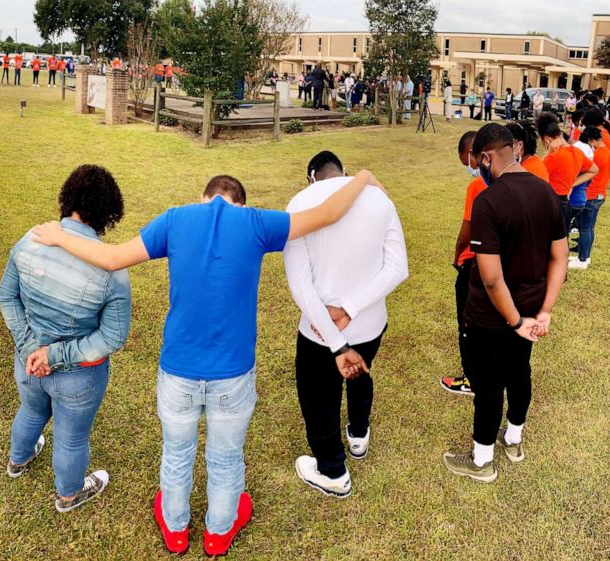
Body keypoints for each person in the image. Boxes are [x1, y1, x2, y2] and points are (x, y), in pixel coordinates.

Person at [29, 170, 384, 556]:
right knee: (226, 456)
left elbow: (112, 258)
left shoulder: (176, 218)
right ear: (241, 203)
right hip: (233, 374)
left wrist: (59, 236)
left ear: (203, 197)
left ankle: (176, 530)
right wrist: (362, 176)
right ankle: (218, 533)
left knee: (176, 452)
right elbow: (329, 212)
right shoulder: (257, 223)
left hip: (177, 371)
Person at [0, 164, 131, 512]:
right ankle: (69, 495)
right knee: (71, 438)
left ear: (67, 197)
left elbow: (6, 297)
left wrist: (31, 349)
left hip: (26, 362)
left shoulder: (30, 239)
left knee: (30, 410)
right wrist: (54, 356)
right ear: (109, 212)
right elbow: (114, 336)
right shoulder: (111, 268)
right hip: (80, 373)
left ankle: (18, 460)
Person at [442, 123, 569, 483]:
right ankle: (513, 440)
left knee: (488, 385)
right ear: (512, 149)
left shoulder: (488, 200)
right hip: (530, 309)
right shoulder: (545, 192)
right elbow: (559, 258)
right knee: (520, 371)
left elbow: (492, 278)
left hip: (494, 317)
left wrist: (514, 321)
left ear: (484, 158)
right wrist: (542, 312)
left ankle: (482, 461)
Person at [284, 151, 408, 497]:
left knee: (317, 395)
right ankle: (358, 435)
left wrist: (336, 326)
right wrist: (352, 309)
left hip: (318, 329)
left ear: (311, 175)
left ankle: (332, 470)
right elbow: (398, 268)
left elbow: (300, 284)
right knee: (361, 373)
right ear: (344, 172)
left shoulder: (300, 201)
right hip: (370, 323)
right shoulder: (379, 199)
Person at [440, 131, 485, 396]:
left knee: (468, 323)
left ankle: (471, 379)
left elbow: (466, 231)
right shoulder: (519, 178)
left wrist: (458, 255)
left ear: (472, 153)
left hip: (474, 265)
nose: (468, 169)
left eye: (466, 162)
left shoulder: (477, 186)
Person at [537, 113, 598, 230]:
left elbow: (534, 177)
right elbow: (594, 170)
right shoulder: (577, 152)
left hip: (550, 203)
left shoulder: (553, 157)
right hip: (567, 201)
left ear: (546, 140)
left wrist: (548, 152)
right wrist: (572, 183)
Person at [571, 126, 610, 270]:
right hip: (599, 194)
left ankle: (582, 259)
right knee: (589, 228)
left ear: (591, 140)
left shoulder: (597, 155)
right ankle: (585, 256)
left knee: (584, 228)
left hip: (591, 195)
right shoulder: (605, 152)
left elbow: (588, 172)